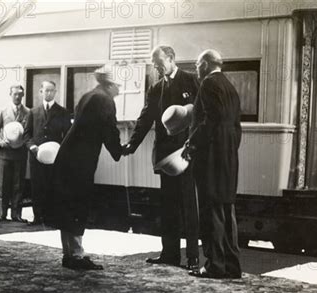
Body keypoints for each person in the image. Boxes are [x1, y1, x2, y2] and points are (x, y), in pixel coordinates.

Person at [122, 46, 200, 271]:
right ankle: (170, 255)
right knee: (168, 206)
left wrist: (194, 146)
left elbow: (201, 115)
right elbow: (146, 118)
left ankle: (193, 257)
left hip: (186, 153)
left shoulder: (191, 81)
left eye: (159, 63)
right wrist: (132, 145)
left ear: (172, 59)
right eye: (154, 65)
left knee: (188, 206)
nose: (156, 68)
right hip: (166, 155)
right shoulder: (156, 88)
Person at [49, 66, 122, 270]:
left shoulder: (89, 95)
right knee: (78, 205)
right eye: (119, 86)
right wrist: (120, 150)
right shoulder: (104, 99)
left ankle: (69, 254)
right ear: (109, 84)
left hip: (68, 156)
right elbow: (110, 129)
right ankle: (77, 257)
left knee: (68, 205)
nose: (120, 90)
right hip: (80, 161)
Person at [183, 49, 242, 279]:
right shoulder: (230, 87)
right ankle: (232, 266)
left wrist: (192, 143)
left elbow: (209, 120)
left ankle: (215, 265)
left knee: (210, 211)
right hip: (228, 156)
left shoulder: (208, 85)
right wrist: (228, 149)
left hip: (210, 158)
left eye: (197, 64)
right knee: (227, 210)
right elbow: (236, 127)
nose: (196, 69)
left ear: (206, 64)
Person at [23, 81, 71, 225]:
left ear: (55, 92)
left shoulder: (63, 112)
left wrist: (60, 151)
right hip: (36, 156)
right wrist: (32, 147)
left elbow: (68, 135)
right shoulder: (33, 112)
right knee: (37, 186)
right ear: (41, 91)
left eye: (52, 90)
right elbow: (26, 135)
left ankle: (51, 218)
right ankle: (38, 217)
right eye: (46, 90)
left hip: (54, 157)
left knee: (53, 186)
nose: (49, 93)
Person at [0, 84, 30, 222]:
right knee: (3, 184)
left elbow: (29, 133)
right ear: (10, 94)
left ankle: (16, 214)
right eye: (15, 94)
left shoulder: (28, 112)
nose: (17, 96)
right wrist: (1, 143)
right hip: (5, 154)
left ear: (23, 95)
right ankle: (2, 214)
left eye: (20, 94)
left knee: (18, 184)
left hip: (20, 154)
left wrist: (24, 142)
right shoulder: (3, 111)